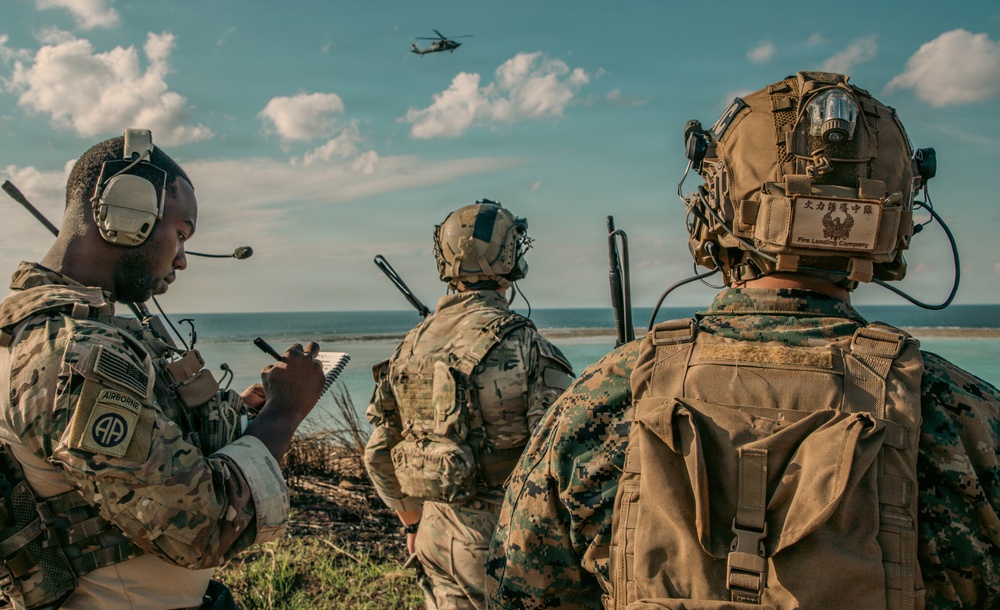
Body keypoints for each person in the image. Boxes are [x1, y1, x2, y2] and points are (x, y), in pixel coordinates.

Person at [486, 71, 1000, 609]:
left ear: (714, 206)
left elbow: (520, 590)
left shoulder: (603, 400)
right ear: (895, 220)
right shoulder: (962, 418)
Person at [0, 129, 326, 609]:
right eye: (181, 234)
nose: (183, 259)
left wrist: (240, 413)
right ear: (126, 211)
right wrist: (285, 412)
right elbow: (205, 527)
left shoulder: (45, 332)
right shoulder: (74, 354)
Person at [364, 200, 575, 610]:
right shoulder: (528, 347)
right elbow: (566, 461)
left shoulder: (410, 345)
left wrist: (412, 522)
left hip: (435, 539)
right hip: (508, 546)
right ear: (511, 259)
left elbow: (377, 454)